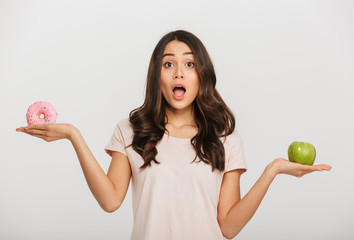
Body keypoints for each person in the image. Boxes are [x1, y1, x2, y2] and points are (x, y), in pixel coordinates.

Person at [16, 30, 331, 240]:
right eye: (169, 64)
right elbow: (111, 201)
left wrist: (271, 171)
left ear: (201, 75)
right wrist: (73, 135)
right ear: (158, 75)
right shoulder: (131, 130)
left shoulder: (225, 138)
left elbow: (229, 226)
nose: (179, 72)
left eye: (190, 64)